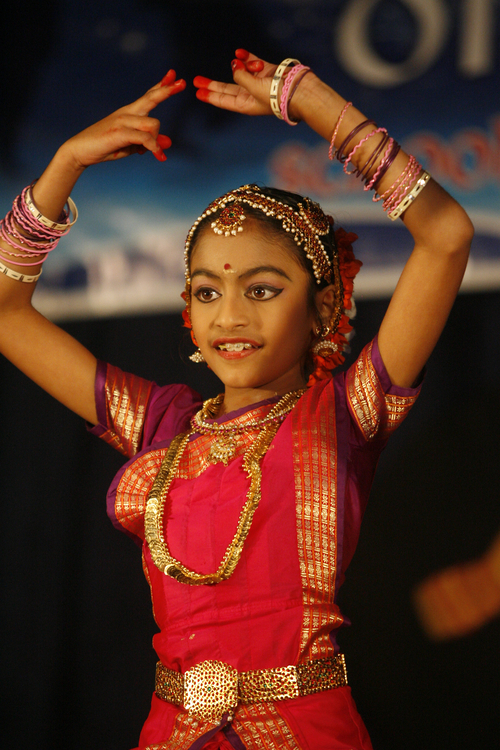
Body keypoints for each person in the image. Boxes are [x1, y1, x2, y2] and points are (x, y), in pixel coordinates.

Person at [0, 50, 473, 750]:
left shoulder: (344, 413)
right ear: (187, 311)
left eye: (261, 290)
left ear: (321, 311)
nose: (230, 317)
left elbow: (447, 237)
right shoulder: (160, 423)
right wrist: (65, 164)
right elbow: (7, 314)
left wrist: (308, 100)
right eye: (207, 292)